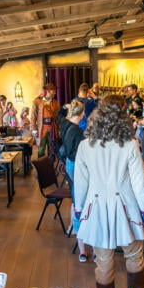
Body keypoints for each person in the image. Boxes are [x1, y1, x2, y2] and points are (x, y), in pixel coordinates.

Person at [74, 95, 144, 288]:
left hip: (96, 206)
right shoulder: (130, 144)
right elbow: (138, 182)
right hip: (127, 205)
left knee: (103, 259)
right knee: (134, 255)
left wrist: (79, 209)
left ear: (95, 120)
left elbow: (80, 182)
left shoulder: (84, 146)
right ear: (122, 120)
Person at [59, 100, 88, 262]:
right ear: (82, 113)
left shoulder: (66, 124)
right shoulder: (76, 130)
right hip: (76, 164)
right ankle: (82, 246)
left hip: (70, 163)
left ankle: (72, 227)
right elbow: (79, 153)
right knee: (79, 201)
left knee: (76, 198)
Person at [30, 83, 60, 157]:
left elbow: (58, 117)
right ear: (48, 91)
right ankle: (41, 166)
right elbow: (33, 116)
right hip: (41, 129)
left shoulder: (56, 103)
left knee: (52, 149)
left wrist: (59, 129)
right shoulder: (37, 101)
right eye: (53, 91)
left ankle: (51, 166)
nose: (55, 93)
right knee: (41, 149)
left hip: (52, 128)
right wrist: (34, 129)